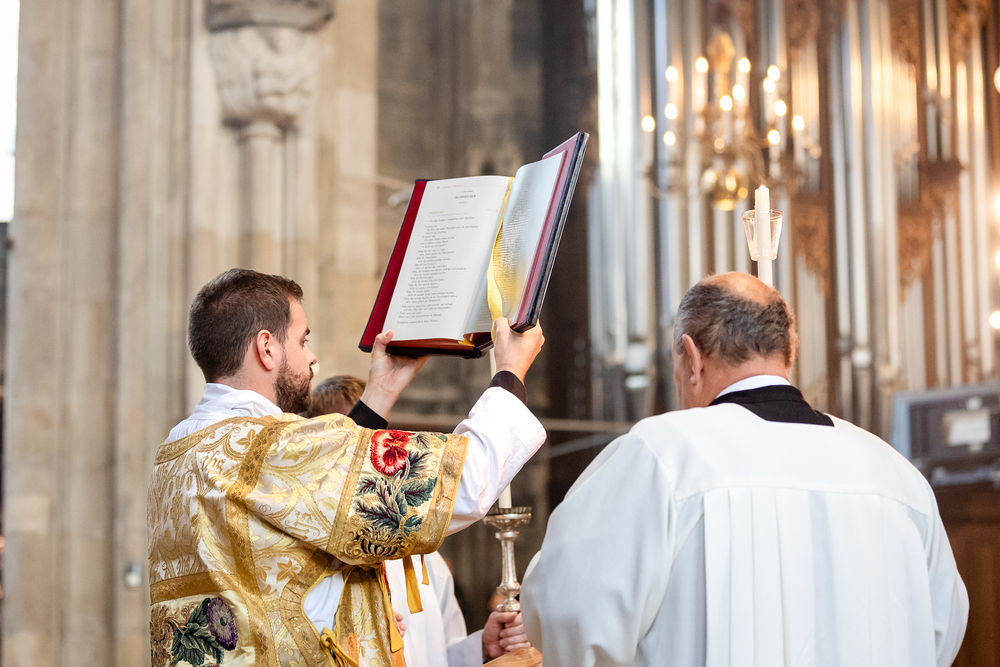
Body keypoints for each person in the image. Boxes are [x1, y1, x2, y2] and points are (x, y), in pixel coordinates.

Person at [521, 272, 968, 667]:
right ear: (788, 355)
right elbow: (939, 633)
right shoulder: (898, 476)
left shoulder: (662, 455)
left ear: (692, 358)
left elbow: (569, 613)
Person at [148, 268, 545, 667]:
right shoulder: (274, 445)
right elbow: (461, 482)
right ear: (266, 348)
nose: (311, 357)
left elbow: (317, 505)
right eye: (302, 340)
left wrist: (380, 392)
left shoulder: (176, 456)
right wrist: (510, 372)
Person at [305, 376, 532, 665]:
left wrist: (481, 648)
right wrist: (357, 631)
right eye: (350, 443)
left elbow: (439, 654)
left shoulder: (425, 557)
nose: (366, 458)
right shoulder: (307, 558)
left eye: (373, 439)